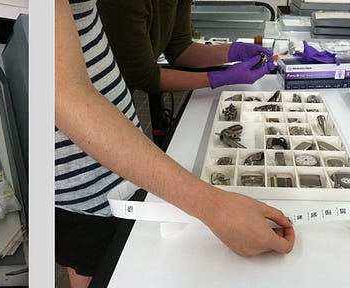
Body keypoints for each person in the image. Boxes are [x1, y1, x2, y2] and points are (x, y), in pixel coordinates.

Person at [55, 1, 294, 287]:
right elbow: (63, 92)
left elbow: (179, 47)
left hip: (121, 155)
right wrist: (213, 207)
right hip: (81, 181)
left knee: (122, 260)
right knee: (97, 266)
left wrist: (230, 53)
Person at [95, 0, 274, 145]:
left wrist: (234, 51)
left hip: (121, 91)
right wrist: (219, 78)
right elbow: (143, 76)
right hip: (97, 96)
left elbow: (179, 49)